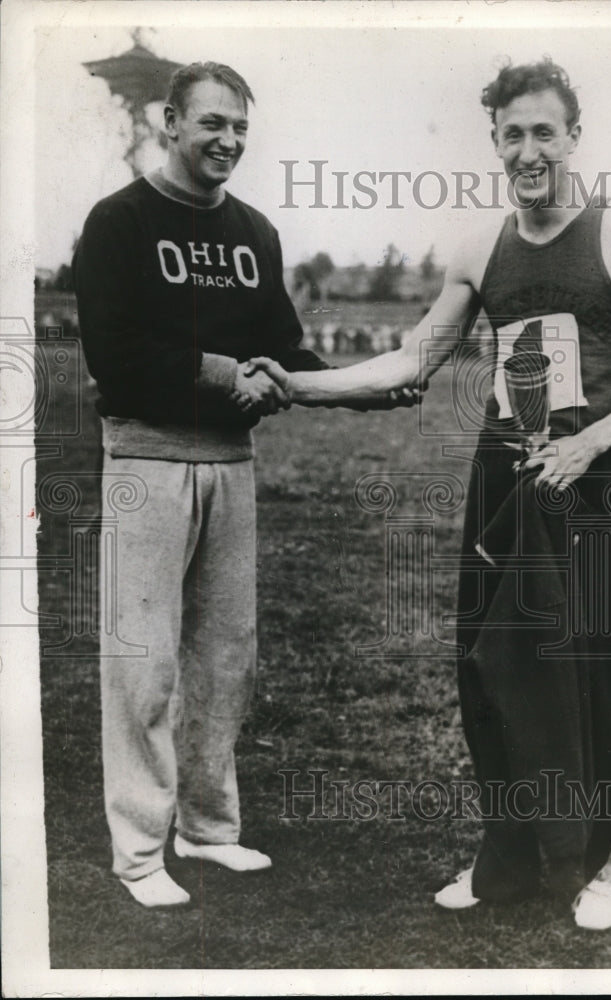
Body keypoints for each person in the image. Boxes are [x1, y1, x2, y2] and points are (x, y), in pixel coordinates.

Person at [252, 57, 611, 929]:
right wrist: (301, 386)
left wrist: (590, 442)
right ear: (493, 143)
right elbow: (415, 362)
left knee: (596, 675)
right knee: (491, 672)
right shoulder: (477, 247)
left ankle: (599, 865)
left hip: (593, 486)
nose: (528, 149)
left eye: (544, 131)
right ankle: (506, 858)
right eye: (511, 135)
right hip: (502, 487)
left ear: (573, 136)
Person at [73, 61, 411, 908]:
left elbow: (288, 354)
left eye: (241, 128)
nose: (228, 141)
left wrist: (369, 384)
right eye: (212, 124)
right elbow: (116, 357)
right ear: (170, 122)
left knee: (225, 660)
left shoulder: (255, 231)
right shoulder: (118, 221)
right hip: (145, 461)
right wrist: (229, 375)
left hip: (231, 467)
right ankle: (141, 854)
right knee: (143, 665)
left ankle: (208, 830)